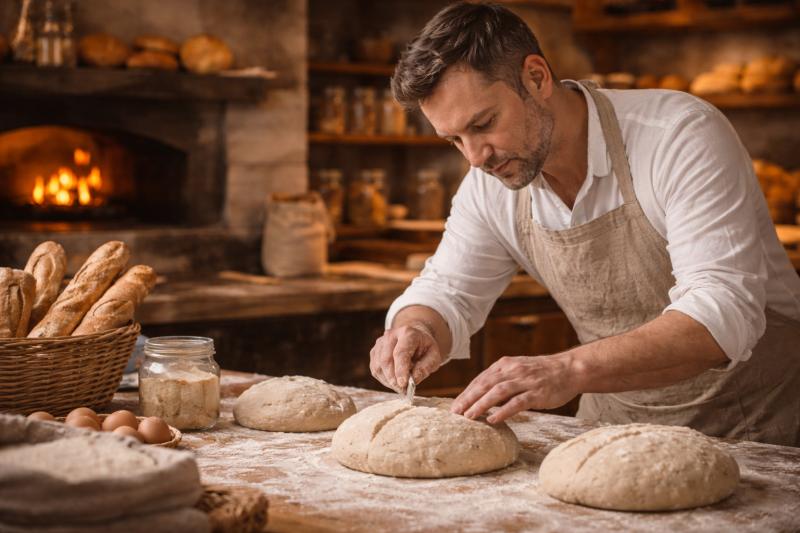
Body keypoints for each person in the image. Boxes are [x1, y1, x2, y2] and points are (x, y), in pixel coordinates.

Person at [368, 1, 800, 446]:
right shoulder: (490, 181)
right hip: (612, 434)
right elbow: (447, 290)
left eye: (484, 124)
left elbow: (723, 309)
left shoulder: (678, 134)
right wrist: (418, 326)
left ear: (536, 78)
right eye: (455, 139)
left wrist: (567, 369)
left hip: (757, 433)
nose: (475, 157)